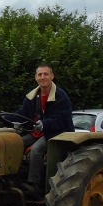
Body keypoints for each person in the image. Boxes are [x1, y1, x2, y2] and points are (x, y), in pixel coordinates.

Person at [16, 64, 74, 197]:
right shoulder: (32, 97)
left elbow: (62, 119)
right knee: (16, 143)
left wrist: (45, 124)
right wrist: (7, 118)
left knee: (36, 150)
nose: (43, 77)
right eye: (40, 74)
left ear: (52, 76)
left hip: (56, 133)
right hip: (37, 131)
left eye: (46, 74)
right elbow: (23, 114)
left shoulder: (60, 96)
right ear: (36, 78)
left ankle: (34, 185)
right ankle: (16, 179)